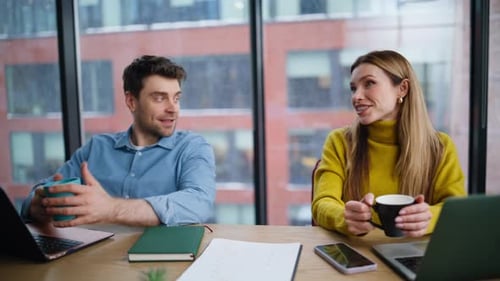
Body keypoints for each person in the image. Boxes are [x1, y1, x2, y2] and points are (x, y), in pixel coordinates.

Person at [21, 55, 216, 227]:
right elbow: (42, 193)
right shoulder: (96, 148)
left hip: (160, 263)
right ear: (131, 101)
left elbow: (198, 202)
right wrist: (39, 205)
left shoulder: (192, 147)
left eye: (176, 98)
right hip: (93, 262)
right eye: (160, 98)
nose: (173, 109)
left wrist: (110, 208)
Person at [311, 50, 466, 237]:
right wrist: (343, 216)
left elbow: (456, 209)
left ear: (402, 89)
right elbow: (322, 203)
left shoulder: (440, 146)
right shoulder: (339, 141)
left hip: (417, 256)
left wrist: (429, 217)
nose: (356, 96)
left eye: (369, 83)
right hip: (357, 254)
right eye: (353, 88)